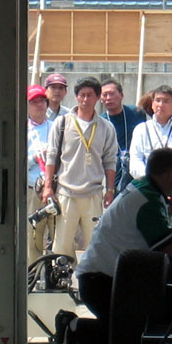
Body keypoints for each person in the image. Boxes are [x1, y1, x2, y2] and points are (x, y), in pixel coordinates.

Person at [59, 148, 172, 344]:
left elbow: (164, 234)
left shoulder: (140, 188)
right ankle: (74, 329)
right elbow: (169, 247)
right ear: (170, 173)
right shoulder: (148, 200)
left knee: (133, 337)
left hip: (99, 278)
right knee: (136, 340)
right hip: (102, 283)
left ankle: (75, 330)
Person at [41, 77, 119, 260]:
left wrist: (110, 189)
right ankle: (63, 280)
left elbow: (110, 160)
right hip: (65, 192)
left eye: (90, 95)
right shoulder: (62, 123)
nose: (85, 99)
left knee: (95, 243)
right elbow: (51, 156)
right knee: (62, 245)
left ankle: (90, 280)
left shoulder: (106, 127)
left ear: (98, 97)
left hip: (93, 193)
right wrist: (47, 187)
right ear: (76, 97)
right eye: (82, 95)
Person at [128, 84, 172, 186]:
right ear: (152, 103)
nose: (161, 104)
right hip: (146, 188)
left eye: (166, 101)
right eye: (157, 100)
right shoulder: (141, 129)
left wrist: (164, 179)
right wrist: (150, 179)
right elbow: (135, 161)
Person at [100, 78, 147, 193]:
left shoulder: (137, 113)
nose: (108, 98)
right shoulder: (101, 121)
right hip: (114, 172)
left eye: (112, 94)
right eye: (104, 95)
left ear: (121, 95)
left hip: (137, 169)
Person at [26, 84, 55, 261]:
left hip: (55, 187)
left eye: (42, 101)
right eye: (34, 102)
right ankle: (33, 272)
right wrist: (33, 158)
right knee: (34, 234)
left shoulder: (56, 126)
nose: (39, 105)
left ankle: (56, 275)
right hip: (32, 187)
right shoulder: (22, 129)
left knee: (57, 233)